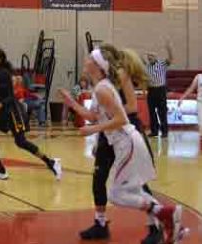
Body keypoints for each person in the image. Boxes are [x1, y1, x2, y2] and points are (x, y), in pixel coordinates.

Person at [61, 48, 186, 244]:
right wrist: (72, 104)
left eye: (90, 58)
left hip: (126, 138)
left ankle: (161, 220)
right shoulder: (101, 86)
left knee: (123, 191)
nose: (85, 60)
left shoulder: (111, 82)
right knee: (110, 183)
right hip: (117, 137)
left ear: (100, 64)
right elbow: (94, 115)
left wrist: (95, 129)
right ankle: (169, 221)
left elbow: (123, 114)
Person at [72, 45, 158, 241]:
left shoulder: (120, 75)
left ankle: (156, 226)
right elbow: (98, 114)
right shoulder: (103, 81)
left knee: (137, 183)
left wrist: (109, 117)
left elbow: (132, 106)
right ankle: (100, 223)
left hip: (126, 129)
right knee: (98, 177)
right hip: (110, 130)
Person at [0, 47, 62, 181]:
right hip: (1, 111)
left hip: (11, 110)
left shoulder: (4, 73)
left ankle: (51, 162)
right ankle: (1, 170)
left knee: (20, 141)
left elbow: (9, 96)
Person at [145, 41, 174, 138]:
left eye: (152, 56)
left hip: (160, 90)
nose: (150, 57)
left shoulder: (161, 64)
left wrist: (169, 49)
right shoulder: (147, 66)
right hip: (151, 90)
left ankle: (165, 131)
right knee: (151, 112)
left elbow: (170, 59)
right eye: (148, 56)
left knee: (162, 111)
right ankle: (154, 131)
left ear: (155, 57)